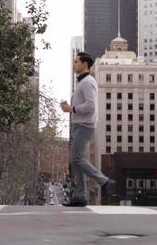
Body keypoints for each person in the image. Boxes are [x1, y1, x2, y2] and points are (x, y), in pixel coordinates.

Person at [60, 52, 115, 207]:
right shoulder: (83, 82)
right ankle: (80, 196)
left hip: (85, 125)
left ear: (85, 64)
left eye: (76, 62)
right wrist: (70, 108)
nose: (74, 64)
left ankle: (104, 181)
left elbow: (90, 107)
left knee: (76, 159)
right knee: (77, 160)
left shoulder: (88, 82)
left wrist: (72, 108)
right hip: (80, 125)